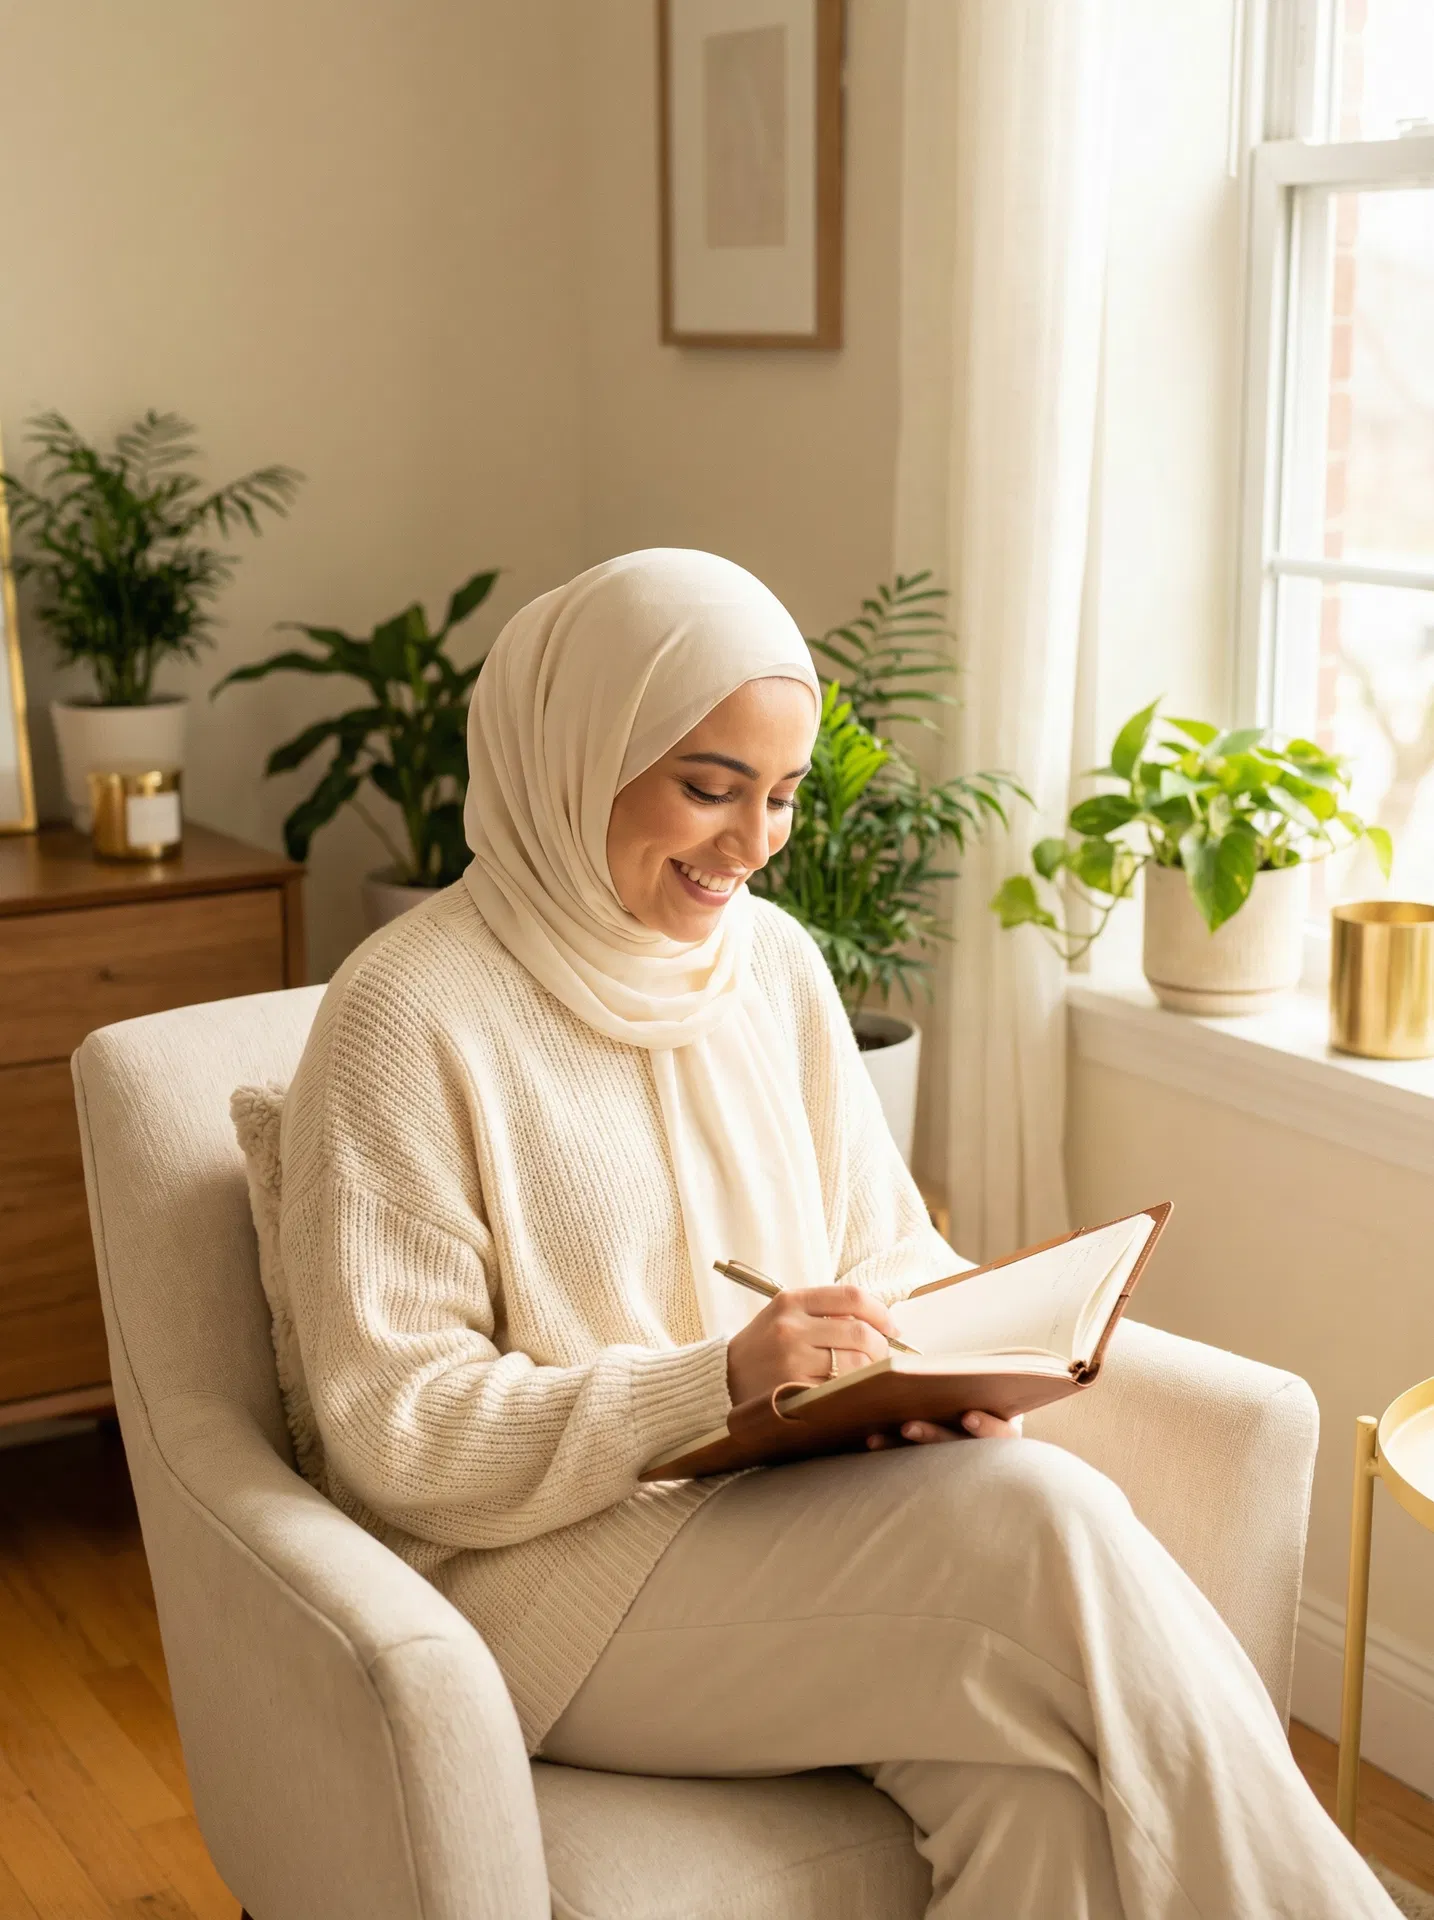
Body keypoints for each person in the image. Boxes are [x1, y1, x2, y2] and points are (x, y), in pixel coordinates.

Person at [278, 549, 1395, 1917]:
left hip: (787, 1520)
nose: (751, 845)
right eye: (706, 786)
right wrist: (711, 1384)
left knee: (1039, 1794)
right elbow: (399, 1433)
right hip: (538, 1589)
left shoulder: (775, 967)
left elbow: (884, 1253)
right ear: (573, 753)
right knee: (1042, 1516)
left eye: (783, 796)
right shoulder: (405, 1013)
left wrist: (929, 1368)